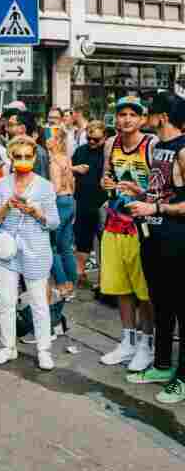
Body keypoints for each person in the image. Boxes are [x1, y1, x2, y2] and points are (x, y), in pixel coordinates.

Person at [126, 92, 185, 402]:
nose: (145, 117)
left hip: (178, 241)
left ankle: (183, 378)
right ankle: (162, 364)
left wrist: (156, 210)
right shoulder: (160, 147)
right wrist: (142, 192)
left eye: (149, 113)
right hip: (153, 239)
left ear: (162, 117)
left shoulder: (183, 149)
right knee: (161, 305)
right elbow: (163, 190)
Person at [0, 136, 60, 370]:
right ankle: (8, 347)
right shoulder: (1, 184)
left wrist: (35, 212)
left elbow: (53, 223)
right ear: (10, 157)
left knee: (39, 301)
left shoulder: (45, 186)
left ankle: (43, 350)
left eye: (27, 156)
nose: (22, 160)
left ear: (34, 157)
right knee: (6, 300)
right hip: (7, 249)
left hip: (36, 250)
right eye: (17, 156)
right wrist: (7, 205)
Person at [98, 97, 156, 371]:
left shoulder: (152, 145)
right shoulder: (111, 144)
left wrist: (139, 192)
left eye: (133, 114)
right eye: (122, 114)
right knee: (120, 287)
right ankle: (127, 341)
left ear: (143, 119)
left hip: (142, 226)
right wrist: (107, 184)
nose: (127, 119)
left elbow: (162, 190)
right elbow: (104, 179)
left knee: (144, 290)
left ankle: (148, 343)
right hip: (114, 222)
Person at [71, 121, 107, 291]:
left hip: (102, 203)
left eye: (96, 139)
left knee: (104, 243)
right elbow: (67, 169)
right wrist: (74, 168)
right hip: (83, 202)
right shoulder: (80, 150)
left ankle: (104, 279)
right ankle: (80, 273)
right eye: (89, 138)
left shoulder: (109, 152)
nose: (92, 142)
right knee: (82, 239)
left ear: (104, 137)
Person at [47, 126, 77, 299]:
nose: (46, 140)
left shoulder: (54, 162)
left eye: (49, 137)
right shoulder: (66, 158)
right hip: (69, 200)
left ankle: (63, 285)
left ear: (56, 141)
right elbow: (72, 184)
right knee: (65, 247)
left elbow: (56, 187)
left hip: (59, 202)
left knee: (53, 248)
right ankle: (71, 285)